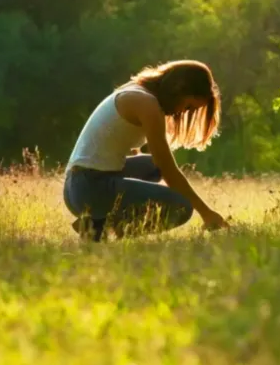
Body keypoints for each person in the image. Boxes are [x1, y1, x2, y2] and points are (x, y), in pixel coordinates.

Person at [63, 59, 230, 241]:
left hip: (75, 186)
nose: (182, 113)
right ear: (178, 88)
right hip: (90, 188)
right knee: (181, 207)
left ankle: (97, 221)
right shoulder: (147, 104)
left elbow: (118, 140)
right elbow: (168, 169)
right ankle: (97, 229)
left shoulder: (137, 90)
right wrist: (206, 213)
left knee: (150, 165)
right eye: (188, 106)